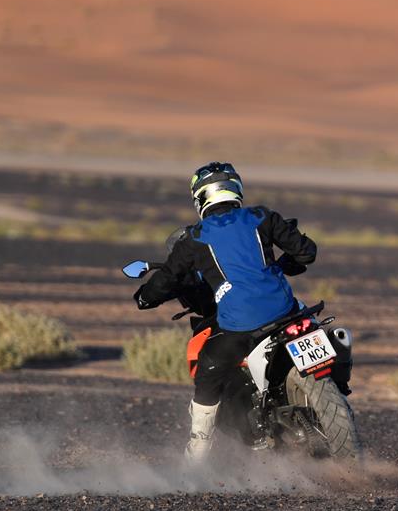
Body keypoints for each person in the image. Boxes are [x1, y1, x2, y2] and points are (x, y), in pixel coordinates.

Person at [132, 162, 317, 464]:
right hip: (287, 311)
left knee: (209, 372)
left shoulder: (195, 237)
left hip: (241, 323)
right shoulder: (262, 217)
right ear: (236, 189)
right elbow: (307, 252)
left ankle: (197, 455)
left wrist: (145, 297)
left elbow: (166, 279)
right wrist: (279, 267)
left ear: (200, 198)